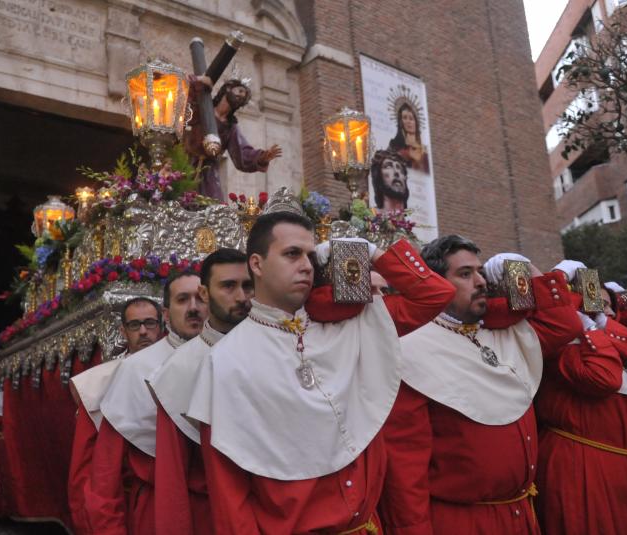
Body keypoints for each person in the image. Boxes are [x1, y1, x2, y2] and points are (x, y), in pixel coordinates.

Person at [186, 211, 456, 534]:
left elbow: (436, 294)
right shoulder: (225, 362)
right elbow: (230, 496)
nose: (305, 265)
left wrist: (369, 251)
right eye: (291, 254)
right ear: (256, 265)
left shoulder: (353, 323)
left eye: (311, 256)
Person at [379, 239, 581, 534]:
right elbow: (406, 470)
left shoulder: (503, 333)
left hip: (521, 512)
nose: (481, 281)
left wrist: (529, 271)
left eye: (480, 271)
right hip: (462, 521)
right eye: (465, 274)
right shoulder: (411, 350)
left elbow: (565, 325)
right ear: (435, 282)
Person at [534, 261, 627, 535]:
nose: (605, 311)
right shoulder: (564, 348)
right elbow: (602, 379)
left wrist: (603, 326)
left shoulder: (625, 343)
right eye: (595, 305)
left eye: (608, 305)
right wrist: (587, 328)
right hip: (581, 470)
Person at [85, 271, 207, 535]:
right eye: (183, 299)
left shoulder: (230, 356)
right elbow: (105, 474)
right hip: (156, 511)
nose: (194, 308)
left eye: (201, 298)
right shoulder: (134, 369)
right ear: (166, 314)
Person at [149, 248, 253, 535]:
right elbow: (172, 478)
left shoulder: (278, 348)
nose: (242, 297)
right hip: (211, 518)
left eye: (248, 285)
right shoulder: (178, 371)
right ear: (205, 294)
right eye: (228, 286)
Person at [67, 297, 164, 535]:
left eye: (150, 323)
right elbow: (86, 463)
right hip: (132, 508)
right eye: (134, 325)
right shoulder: (99, 383)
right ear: (123, 331)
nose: (143, 331)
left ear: (163, 326)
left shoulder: (186, 367)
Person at [184, 77, 282, 199]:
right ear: (228, 89)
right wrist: (197, 85)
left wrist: (261, 157)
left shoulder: (230, 128)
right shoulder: (203, 108)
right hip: (185, 163)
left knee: (212, 209)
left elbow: (242, 153)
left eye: (244, 95)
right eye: (240, 91)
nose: (242, 95)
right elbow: (186, 111)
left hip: (208, 174)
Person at [387, 101, 429, 173]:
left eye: (411, 118)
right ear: (401, 122)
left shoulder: (424, 151)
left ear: (416, 122)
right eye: (405, 118)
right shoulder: (394, 147)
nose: (408, 121)